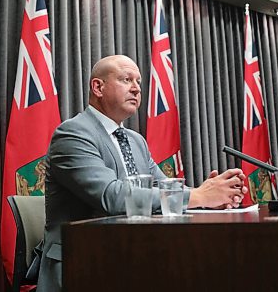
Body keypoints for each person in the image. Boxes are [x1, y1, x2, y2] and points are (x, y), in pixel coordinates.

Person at [36, 55, 247, 292]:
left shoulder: (136, 140)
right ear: (98, 87)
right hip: (83, 262)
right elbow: (112, 197)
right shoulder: (73, 134)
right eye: (127, 79)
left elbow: (164, 188)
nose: (137, 88)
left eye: (138, 82)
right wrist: (199, 196)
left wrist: (209, 199)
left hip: (133, 255)